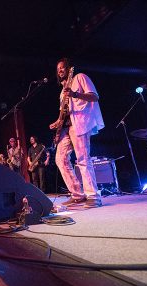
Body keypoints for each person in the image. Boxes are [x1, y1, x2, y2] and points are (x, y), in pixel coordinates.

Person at [49, 57, 105, 208]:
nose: (60, 70)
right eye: (58, 68)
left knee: (83, 159)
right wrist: (57, 122)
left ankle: (93, 196)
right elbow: (64, 112)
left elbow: (94, 96)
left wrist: (75, 94)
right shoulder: (62, 91)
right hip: (66, 128)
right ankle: (77, 195)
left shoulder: (80, 77)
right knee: (60, 159)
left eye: (62, 67)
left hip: (79, 124)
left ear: (68, 68)